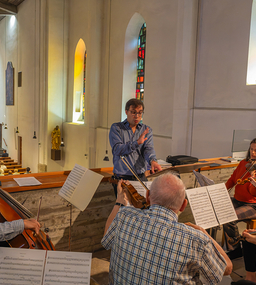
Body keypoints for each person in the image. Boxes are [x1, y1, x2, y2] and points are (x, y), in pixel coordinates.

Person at [101, 173, 232, 284]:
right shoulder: (198, 240)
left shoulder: (124, 214)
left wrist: (120, 200)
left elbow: (107, 238)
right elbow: (227, 268)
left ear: (147, 196)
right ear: (183, 206)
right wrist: (204, 233)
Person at [109, 98, 162, 195]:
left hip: (140, 177)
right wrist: (136, 143)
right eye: (133, 112)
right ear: (126, 112)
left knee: (142, 208)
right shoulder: (116, 128)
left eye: (140, 113)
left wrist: (153, 161)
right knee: (124, 209)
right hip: (122, 177)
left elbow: (148, 148)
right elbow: (117, 149)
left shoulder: (146, 130)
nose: (137, 116)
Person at [223, 138, 256, 261]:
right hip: (237, 200)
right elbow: (233, 179)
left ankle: (236, 250)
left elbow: (252, 193)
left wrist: (253, 182)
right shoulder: (243, 163)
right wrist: (222, 191)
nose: (253, 153)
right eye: (251, 149)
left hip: (252, 205)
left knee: (229, 217)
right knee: (218, 208)